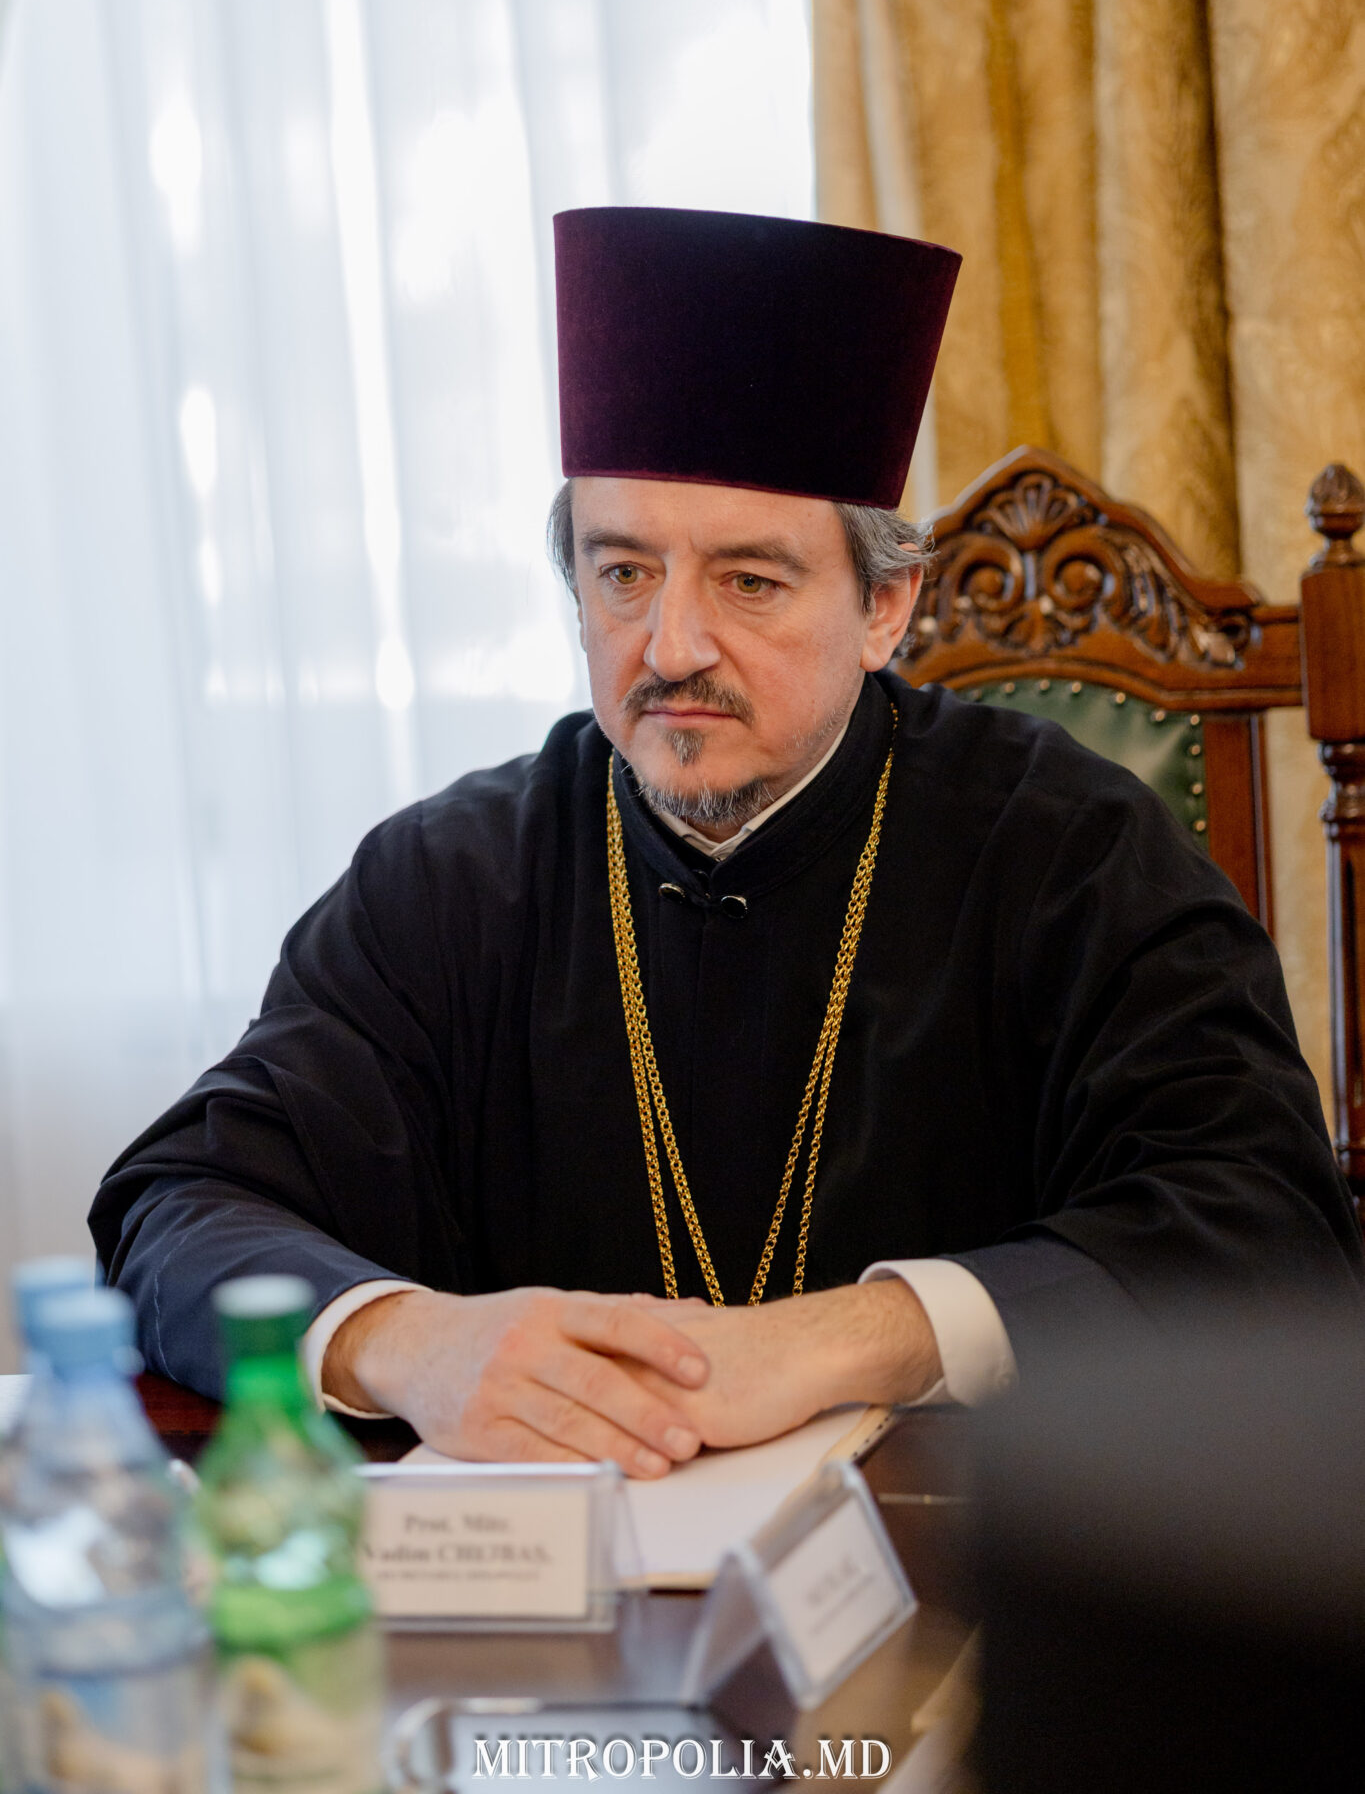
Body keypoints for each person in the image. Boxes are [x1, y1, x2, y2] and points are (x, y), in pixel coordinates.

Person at [91, 207, 1363, 1478]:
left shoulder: (1070, 850)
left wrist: (860, 1335)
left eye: (749, 581)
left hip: (979, 1560)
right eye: (624, 574)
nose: (673, 645)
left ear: (884, 605)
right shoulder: (448, 879)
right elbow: (179, 1202)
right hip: (558, 1583)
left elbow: (1266, 1228)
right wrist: (409, 1342)